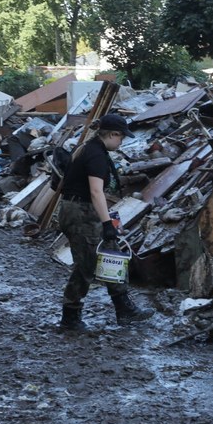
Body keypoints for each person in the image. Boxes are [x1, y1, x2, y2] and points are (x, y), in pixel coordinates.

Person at [57, 113, 153, 331]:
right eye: (121, 138)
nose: (121, 143)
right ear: (112, 134)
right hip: (79, 212)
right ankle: (70, 316)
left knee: (112, 254)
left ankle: (124, 308)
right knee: (87, 264)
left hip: (80, 209)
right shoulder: (95, 154)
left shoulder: (90, 148)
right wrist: (107, 223)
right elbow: (96, 191)